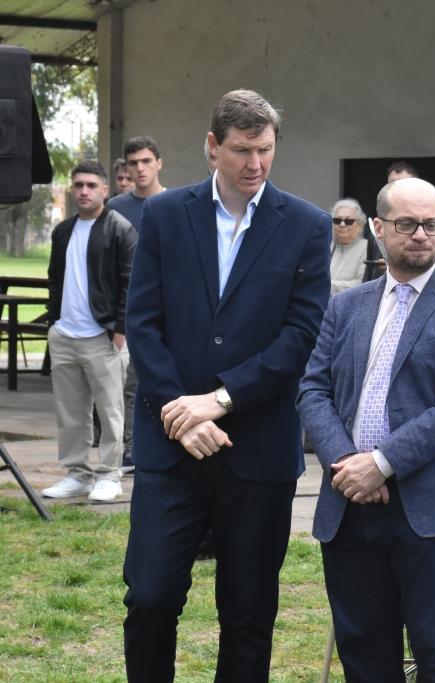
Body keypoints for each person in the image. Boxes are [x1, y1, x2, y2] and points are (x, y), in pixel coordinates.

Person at [122, 89, 331, 682]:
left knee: (248, 614)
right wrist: (178, 413)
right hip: (170, 445)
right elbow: (143, 321)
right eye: (242, 150)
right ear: (212, 147)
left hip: (257, 447)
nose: (255, 164)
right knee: (152, 597)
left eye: (265, 150)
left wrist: (219, 400)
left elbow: (301, 334)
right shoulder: (164, 216)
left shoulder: (307, 227)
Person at [298, 177, 435, 682]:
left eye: (431, 224)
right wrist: (348, 466)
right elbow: (312, 390)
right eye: (407, 224)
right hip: (349, 508)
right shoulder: (346, 306)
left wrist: (381, 464)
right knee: (363, 656)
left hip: (433, 513)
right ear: (378, 228)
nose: (420, 235)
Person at [42, 161, 136, 503]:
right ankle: (77, 473)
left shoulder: (120, 229)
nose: (83, 191)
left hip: (103, 336)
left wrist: (120, 328)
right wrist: (53, 323)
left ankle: (110, 473)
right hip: (65, 335)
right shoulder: (63, 230)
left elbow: (130, 282)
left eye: (91, 185)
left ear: (105, 190)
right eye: (78, 185)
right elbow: (54, 278)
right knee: (70, 409)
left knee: (110, 409)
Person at [107, 136, 167, 474]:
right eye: (134, 163)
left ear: (159, 163)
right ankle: (128, 448)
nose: (140, 168)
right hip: (127, 312)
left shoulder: (177, 203)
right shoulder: (115, 209)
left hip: (169, 311)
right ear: (126, 168)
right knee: (125, 385)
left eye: (146, 161)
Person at [329, 198, 369, 295]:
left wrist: (326, 285)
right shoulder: (325, 245)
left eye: (349, 221)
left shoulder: (367, 247)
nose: (342, 224)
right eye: (337, 220)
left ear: (360, 225)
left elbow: (362, 284)